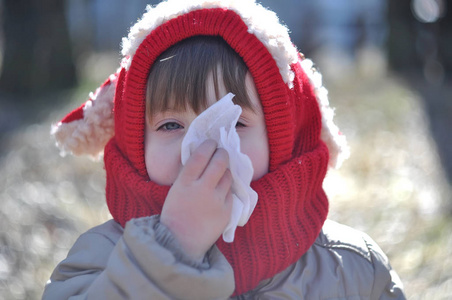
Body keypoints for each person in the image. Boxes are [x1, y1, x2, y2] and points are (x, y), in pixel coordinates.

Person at [44, 0, 406, 298]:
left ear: (283, 141)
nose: (202, 147)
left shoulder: (352, 270)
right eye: (171, 125)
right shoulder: (99, 263)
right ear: (135, 146)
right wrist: (170, 248)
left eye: (234, 123)